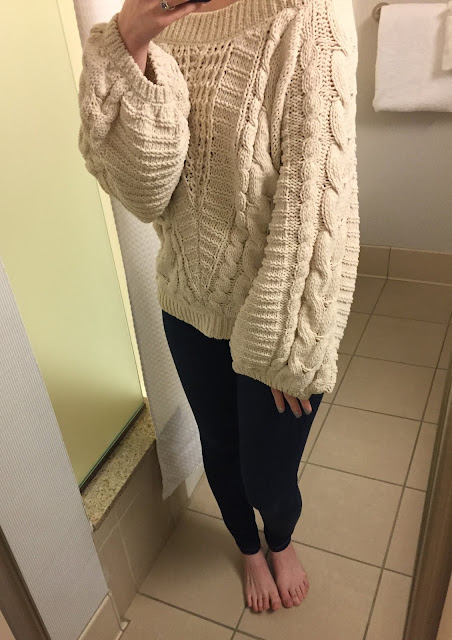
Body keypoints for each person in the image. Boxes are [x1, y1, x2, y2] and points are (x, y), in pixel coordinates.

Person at [77, 0, 359, 614]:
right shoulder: (159, 23)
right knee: (221, 451)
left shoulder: (303, 18)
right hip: (186, 300)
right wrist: (130, 43)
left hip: (278, 315)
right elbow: (146, 194)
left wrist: (284, 345)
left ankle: (278, 536)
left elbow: (319, 199)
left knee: (269, 476)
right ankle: (248, 549)